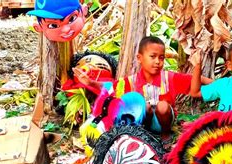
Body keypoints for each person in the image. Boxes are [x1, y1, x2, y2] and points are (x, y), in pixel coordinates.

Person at [75, 36, 212, 136]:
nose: (158, 61)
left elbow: (194, 79)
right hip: (142, 121)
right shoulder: (130, 81)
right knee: (144, 106)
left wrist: (218, 84)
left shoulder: (168, 77)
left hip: (163, 121)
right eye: (153, 56)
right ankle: (144, 134)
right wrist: (90, 83)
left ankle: (165, 135)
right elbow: (110, 88)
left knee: (162, 106)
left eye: (161, 57)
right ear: (139, 58)